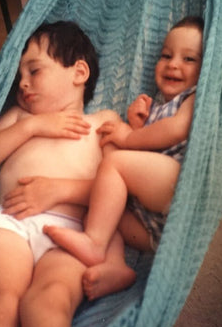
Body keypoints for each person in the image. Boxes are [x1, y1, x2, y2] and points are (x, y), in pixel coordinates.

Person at [0, 21, 135, 327]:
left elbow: (119, 188)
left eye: (34, 71)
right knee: (0, 307)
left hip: (70, 235)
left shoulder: (103, 124)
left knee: (49, 303)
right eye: (20, 75)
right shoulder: (20, 119)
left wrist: (58, 190)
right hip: (11, 226)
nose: (22, 83)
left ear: (79, 73)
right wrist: (33, 127)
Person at [43, 16, 204, 271]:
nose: (173, 65)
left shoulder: (194, 97)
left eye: (189, 59)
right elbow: (146, 154)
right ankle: (114, 266)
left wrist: (129, 136)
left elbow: (176, 130)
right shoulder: (157, 104)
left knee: (115, 163)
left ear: (206, 68)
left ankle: (94, 242)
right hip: (153, 229)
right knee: (101, 210)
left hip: (177, 181)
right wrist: (138, 124)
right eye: (166, 55)